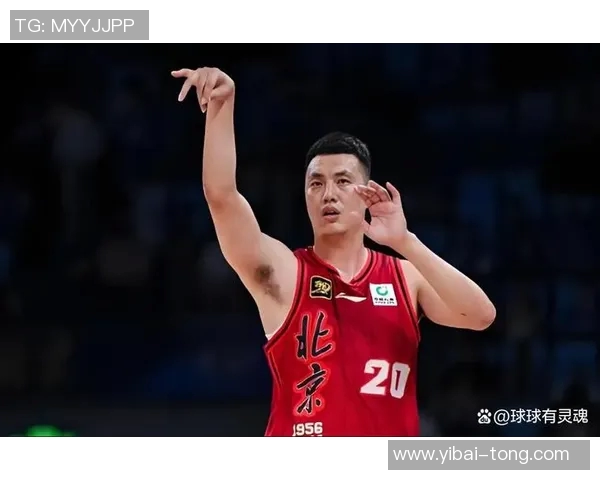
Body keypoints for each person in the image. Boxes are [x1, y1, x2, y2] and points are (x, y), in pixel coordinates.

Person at [172, 67, 496, 436]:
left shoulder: (405, 277)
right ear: (305, 196)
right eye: (316, 184)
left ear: (367, 192)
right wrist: (222, 105)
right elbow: (221, 197)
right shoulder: (287, 272)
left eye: (343, 181)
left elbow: (480, 316)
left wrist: (406, 242)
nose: (328, 194)